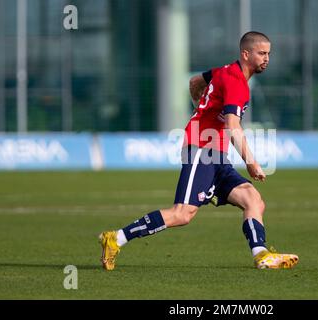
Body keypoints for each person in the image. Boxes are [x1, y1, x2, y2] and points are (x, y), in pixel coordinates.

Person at [98, 31, 299, 270]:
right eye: (261, 53)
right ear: (246, 54)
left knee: (253, 199)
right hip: (201, 149)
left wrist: (199, 109)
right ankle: (116, 238)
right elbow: (233, 125)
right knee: (182, 214)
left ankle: (261, 254)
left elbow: (195, 82)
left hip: (217, 154)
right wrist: (251, 162)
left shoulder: (223, 71)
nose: (267, 58)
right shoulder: (236, 82)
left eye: (269, 54)